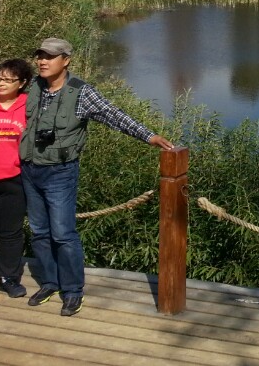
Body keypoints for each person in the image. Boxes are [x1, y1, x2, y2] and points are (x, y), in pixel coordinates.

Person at [20, 38, 175, 317]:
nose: (42, 61)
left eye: (50, 57)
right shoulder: (31, 86)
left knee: (63, 234)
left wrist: (149, 136)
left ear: (65, 60)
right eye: (40, 56)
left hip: (60, 173)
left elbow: (114, 115)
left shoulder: (81, 92)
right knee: (40, 232)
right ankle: (50, 282)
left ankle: (72, 291)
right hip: (30, 170)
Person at [0, 59, 35, 310]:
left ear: (21, 84)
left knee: (11, 234)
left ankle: (9, 279)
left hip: (15, 179)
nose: (1, 83)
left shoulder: (28, 106)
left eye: (8, 79)